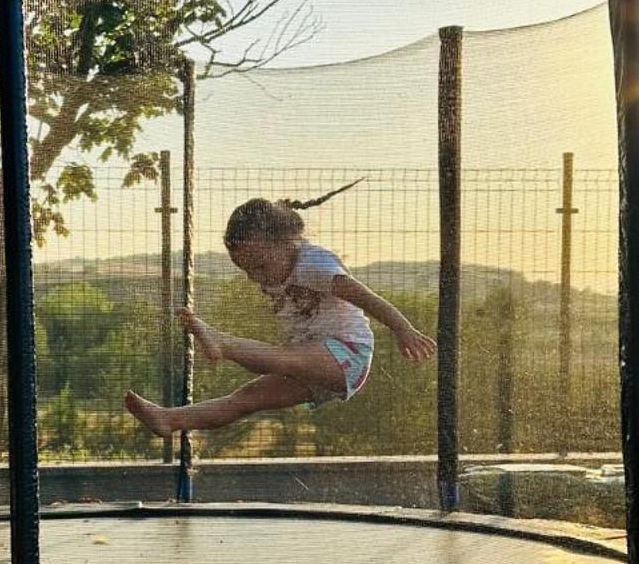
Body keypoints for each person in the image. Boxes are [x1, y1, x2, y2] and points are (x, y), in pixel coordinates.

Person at [125, 185, 435, 439]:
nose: (257, 277)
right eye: (247, 271)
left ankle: (223, 343)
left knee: (284, 357)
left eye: (260, 266)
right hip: (314, 362)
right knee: (246, 399)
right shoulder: (276, 264)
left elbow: (366, 298)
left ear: (286, 242)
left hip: (348, 354)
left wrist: (402, 329)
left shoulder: (316, 266)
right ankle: (169, 419)